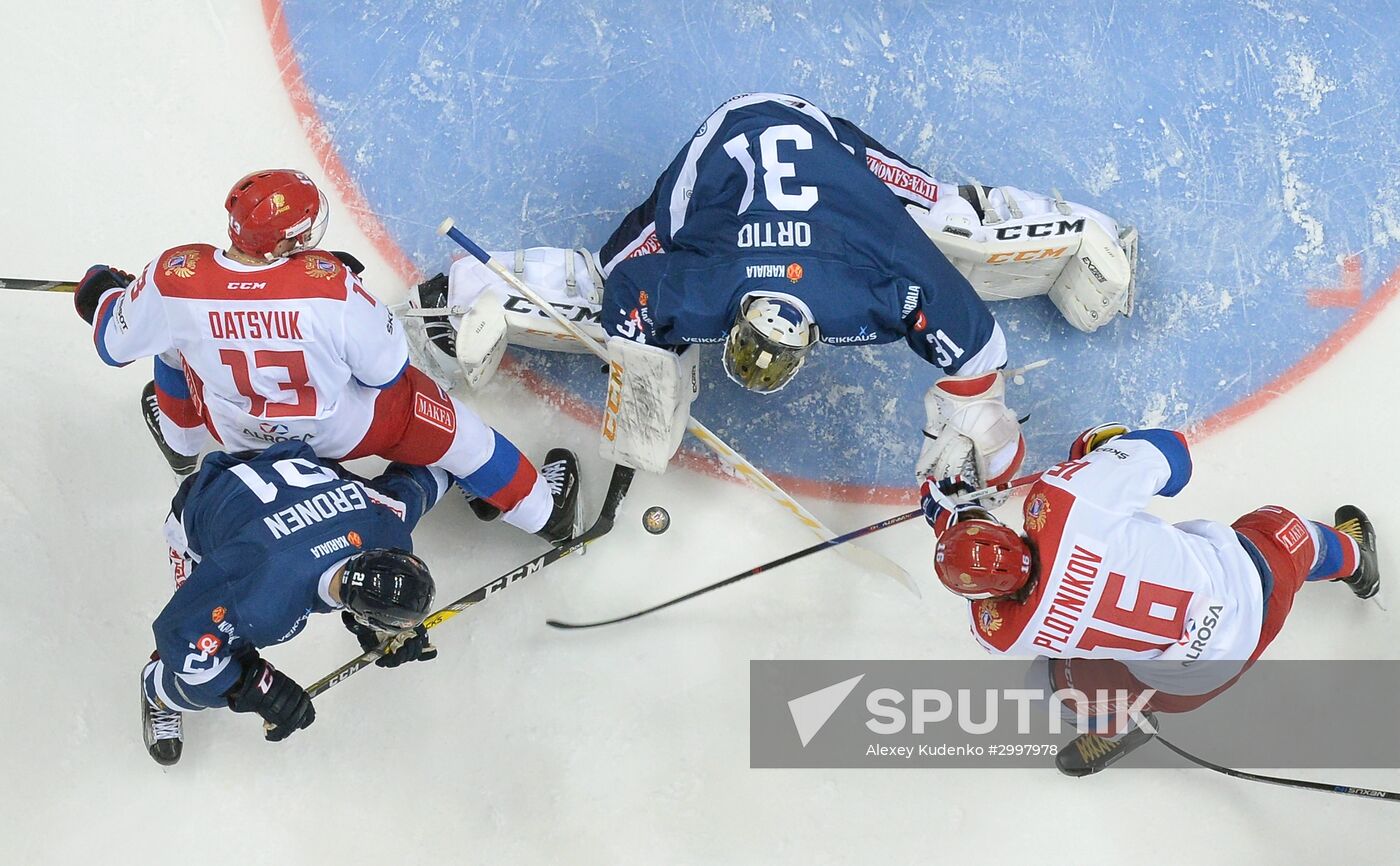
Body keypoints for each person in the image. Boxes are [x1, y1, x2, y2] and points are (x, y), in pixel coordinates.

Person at [406, 92, 1136, 492]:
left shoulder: (872, 286)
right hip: (717, 163)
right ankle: (468, 287)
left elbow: (975, 343)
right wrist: (646, 360)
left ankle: (1087, 237)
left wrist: (981, 424)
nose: (757, 372)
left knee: (947, 220)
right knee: (621, 263)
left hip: (827, 145)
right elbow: (628, 289)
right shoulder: (741, 287)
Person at [73, 169, 580, 544]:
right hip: (343, 430)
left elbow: (112, 345)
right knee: (457, 433)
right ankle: (547, 514)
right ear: (290, 241)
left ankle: (182, 442)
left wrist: (107, 294)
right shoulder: (327, 285)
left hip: (235, 431)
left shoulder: (172, 276)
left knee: (168, 341)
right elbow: (385, 371)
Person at [921, 423, 1380, 775]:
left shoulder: (1002, 631)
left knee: (1045, 687)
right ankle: (1357, 560)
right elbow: (1174, 455)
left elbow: (989, 600)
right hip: (1255, 583)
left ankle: (1116, 727)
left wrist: (950, 524)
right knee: (1292, 531)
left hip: (1190, 684)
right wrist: (1099, 452)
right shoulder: (1064, 502)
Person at [140, 440, 508, 765]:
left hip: (279, 474)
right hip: (203, 504)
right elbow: (179, 635)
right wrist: (251, 687)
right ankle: (158, 693)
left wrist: (471, 475)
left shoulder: (385, 524)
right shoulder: (261, 600)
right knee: (206, 672)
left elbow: (431, 470)